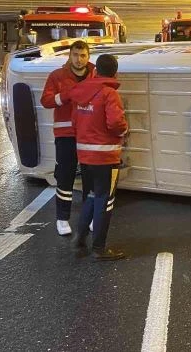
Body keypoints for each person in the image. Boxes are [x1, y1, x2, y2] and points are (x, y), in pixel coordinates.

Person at [70, 53, 128, 261]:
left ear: (95, 70)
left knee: (91, 196)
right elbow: (115, 124)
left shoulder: (81, 92)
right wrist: (124, 130)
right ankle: (99, 248)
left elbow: (75, 122)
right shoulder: (109, 94)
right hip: (105, 157)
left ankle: (79, 239)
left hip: (85, 156)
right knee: (104, 200)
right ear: (115, 72)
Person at [40, 40, 95, 236]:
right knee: (65, 176)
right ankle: (62, 219)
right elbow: (45, 100)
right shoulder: (57, 76)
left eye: (82, 56)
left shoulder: (96, 76)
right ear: (69, 56)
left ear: (88, 57)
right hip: (66, 134)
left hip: (90, 134)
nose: (79, 60)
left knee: (91, 177)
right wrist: (65, 96)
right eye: (75, 55)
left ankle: (90, 217)